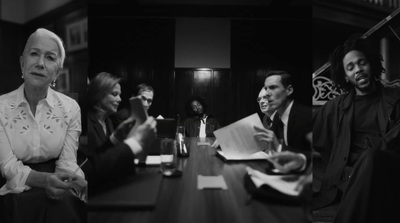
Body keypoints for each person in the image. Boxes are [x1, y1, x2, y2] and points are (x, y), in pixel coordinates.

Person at [0, 28, 86, 223]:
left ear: (57, 71)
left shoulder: (71, 108)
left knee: (65, 204)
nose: (40, 63)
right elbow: (7, 166)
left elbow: (67, 162)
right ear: (22, 63)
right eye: (34, 54)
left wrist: (71, 180)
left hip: (57, 178)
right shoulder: (0, 107)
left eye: (50, 57)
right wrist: (45, 180)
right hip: (14, 186)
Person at [313, 34, 400, 222]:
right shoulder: (335, 107)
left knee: (372, 156)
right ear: (345, 76)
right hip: (347, 180)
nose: (358, 69)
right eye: (350, 67)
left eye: (362, 63)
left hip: (389, 173)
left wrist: (368, 161)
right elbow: (300, 126)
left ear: (372, 65)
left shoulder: (396, 98)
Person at [253, 70, 312, 156]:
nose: (267, 93)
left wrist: (278, 147)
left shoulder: (306, 116)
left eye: (273, 87)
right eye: (266, 88)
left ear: (289, 90)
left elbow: (319, 157)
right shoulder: (277, 117)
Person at [87, 72, 122, 151]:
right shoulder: (88, 122)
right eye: (114, 94)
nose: (119, 99)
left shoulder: (108, 121)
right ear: (99, 94)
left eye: (119, 95)